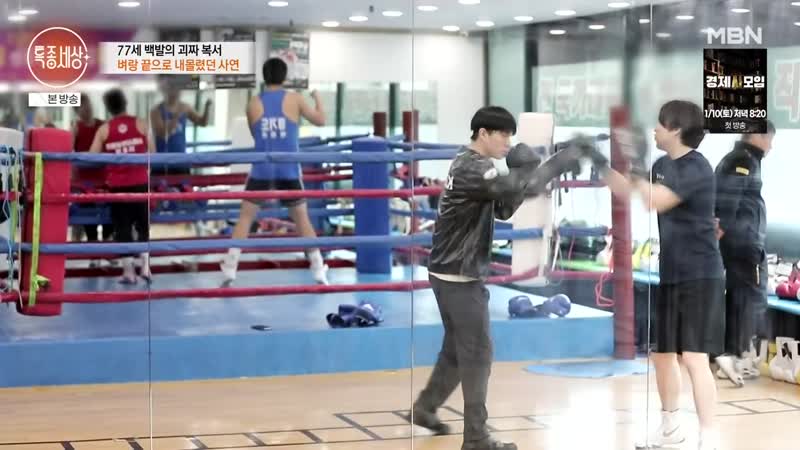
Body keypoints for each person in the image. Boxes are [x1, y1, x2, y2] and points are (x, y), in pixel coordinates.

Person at [407, 106, 592, 450]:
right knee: (478, 352)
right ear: (483, 133)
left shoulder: (475, 166)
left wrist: (543, 166)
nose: (508, 141)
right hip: (458, 273)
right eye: (502, 134)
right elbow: (510, 185)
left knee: (458, 348)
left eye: (510, 134)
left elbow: (505, 207)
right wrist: (552, 164)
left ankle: (426, 407)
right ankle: (476, 438)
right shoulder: (472, 166)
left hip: (452, 270)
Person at [588, 100, 724, 450]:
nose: (654, 129)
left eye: (660, 124)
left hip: (701, 274)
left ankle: (709, 436)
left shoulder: (697, 167)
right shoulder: (662, 165)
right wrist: (597, 161)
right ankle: (670, 427)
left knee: (693, 356)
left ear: (675, 129)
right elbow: (629, 190)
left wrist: (635, 165)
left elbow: (656, 201)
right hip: (671, 273)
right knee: (662, 355)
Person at [220, 57, 327, 285]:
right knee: (302, 219)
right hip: (288, 169)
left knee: (245, 217)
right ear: (284, 76)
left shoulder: (253, 103)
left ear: (264, 76)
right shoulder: (295, 99)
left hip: (262, 168)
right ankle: (318, 269)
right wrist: (316, 95)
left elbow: (256, 134)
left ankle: (230, 268)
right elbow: (321, 120)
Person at [713, 120, 775, 387]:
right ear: (757, 136)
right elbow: (730, 198)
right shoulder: (743, 160)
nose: (770, 146)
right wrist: (722, 228)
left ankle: (731, 355)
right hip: (744, 242)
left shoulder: (738, 158)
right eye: (769, 139)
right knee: (750, 297)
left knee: (740, 296)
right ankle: (736, 357)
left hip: (738, 240)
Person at [89, 88, 154, 284]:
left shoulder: (104, 130)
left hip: (118, 187)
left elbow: (91, 157)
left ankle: (129, 273)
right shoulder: (141, 124)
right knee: (143, 226)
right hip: (141, 183)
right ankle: (146, 268)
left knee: (123, 228)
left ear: (108, 107)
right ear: (125, 103)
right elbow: (153, 153)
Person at [72, 94, 113, 253]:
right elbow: (68, 153)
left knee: (109, 216)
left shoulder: (103, 126)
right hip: (84, 181)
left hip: (104, 179)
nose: (87, 109)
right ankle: (94, 254)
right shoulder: (76, 128)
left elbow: (111, 149)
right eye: (83, 107)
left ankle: (108, 250)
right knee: (89, 220)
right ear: (78, 111)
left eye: (88, 105)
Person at [150, 78, 212, 176]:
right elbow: (162, 133)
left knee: (184, 184)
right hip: (162, 162)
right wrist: (176, 116)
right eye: (173, 88)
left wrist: (207, 108)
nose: (177, 92)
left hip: (181, 161)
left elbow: (202, 123)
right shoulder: (156, 111)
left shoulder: (185, 107)